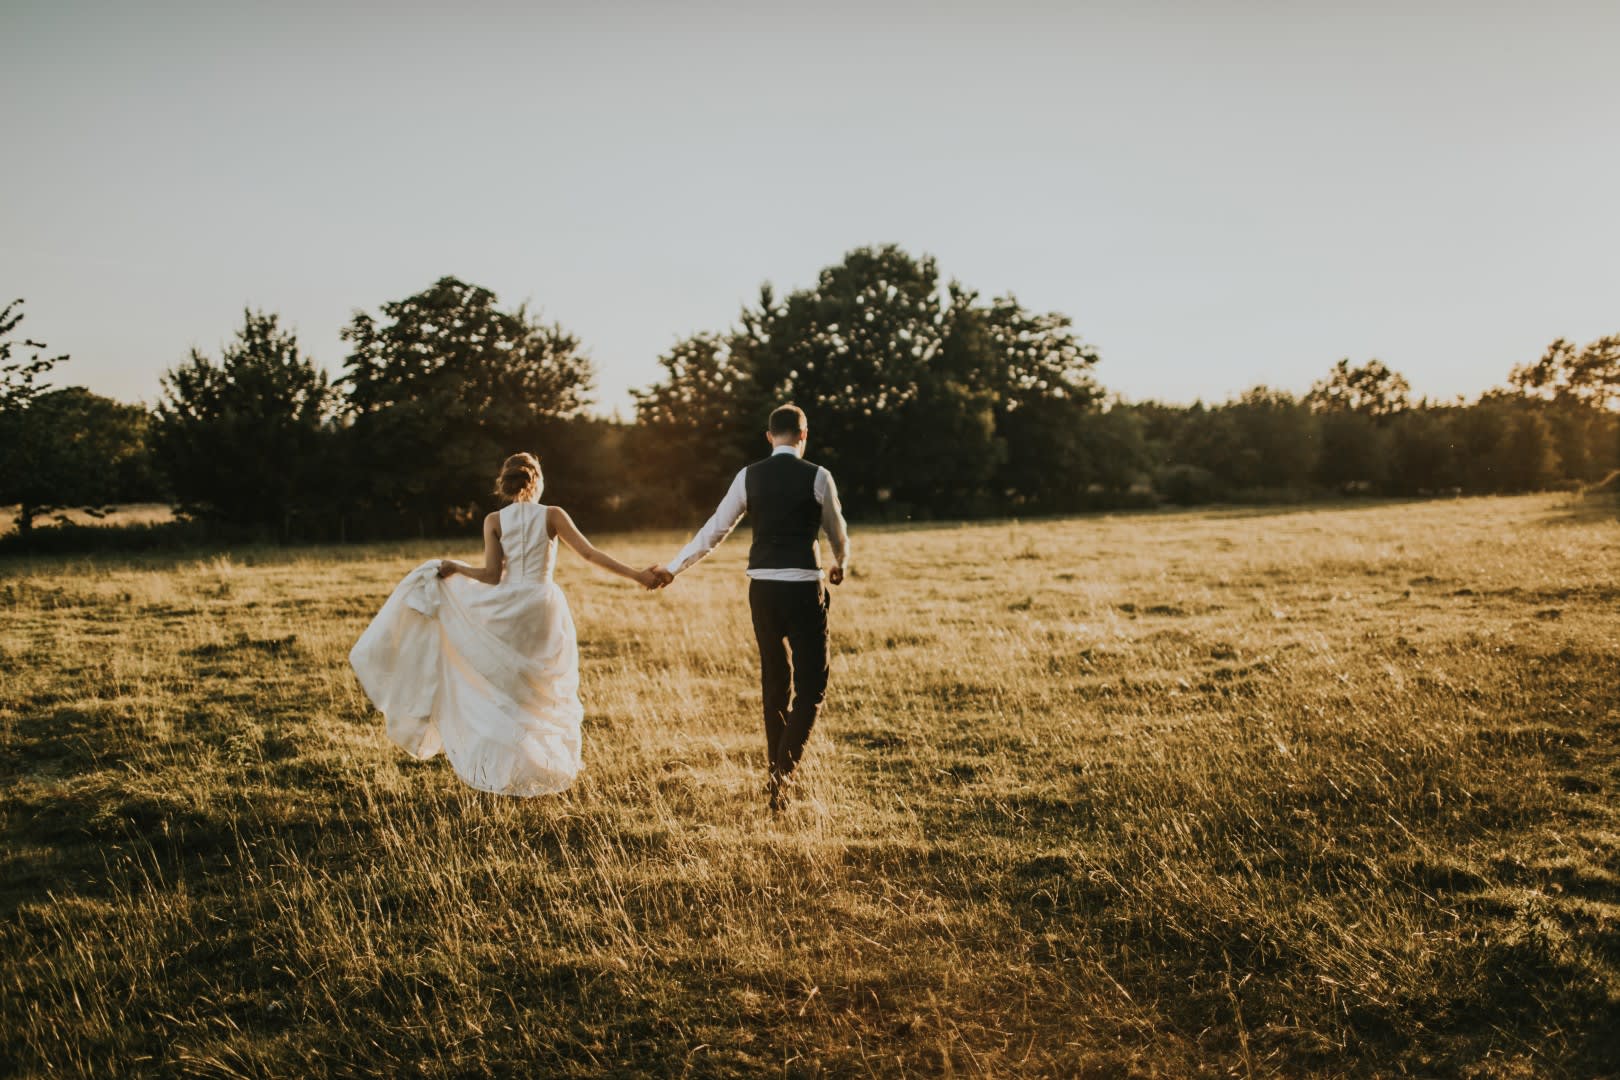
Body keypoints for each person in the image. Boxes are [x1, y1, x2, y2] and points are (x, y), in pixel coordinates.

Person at [349, 452, 662, 796]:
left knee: (509, 687)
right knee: (541, 687)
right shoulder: (552, 515)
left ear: (504, 483)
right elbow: (589, 554)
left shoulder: (494, 520)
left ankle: (514, 764)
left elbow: (491, 576)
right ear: (538, 481)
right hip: (541, 605)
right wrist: (636, 575)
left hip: (507, 607)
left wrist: (455, 567)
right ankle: (540, 762)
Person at [649, 403, 851, 811]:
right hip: (802, 590)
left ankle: (776, 775)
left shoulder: (749, 476)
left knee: (775, 682)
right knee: (811, 687)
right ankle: (783, 772)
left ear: (768, 436)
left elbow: (713, 532)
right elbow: (837, 530)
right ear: (804, 435)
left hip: (762, 591)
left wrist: (673, 568)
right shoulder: (819, 476)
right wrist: (840, 564)